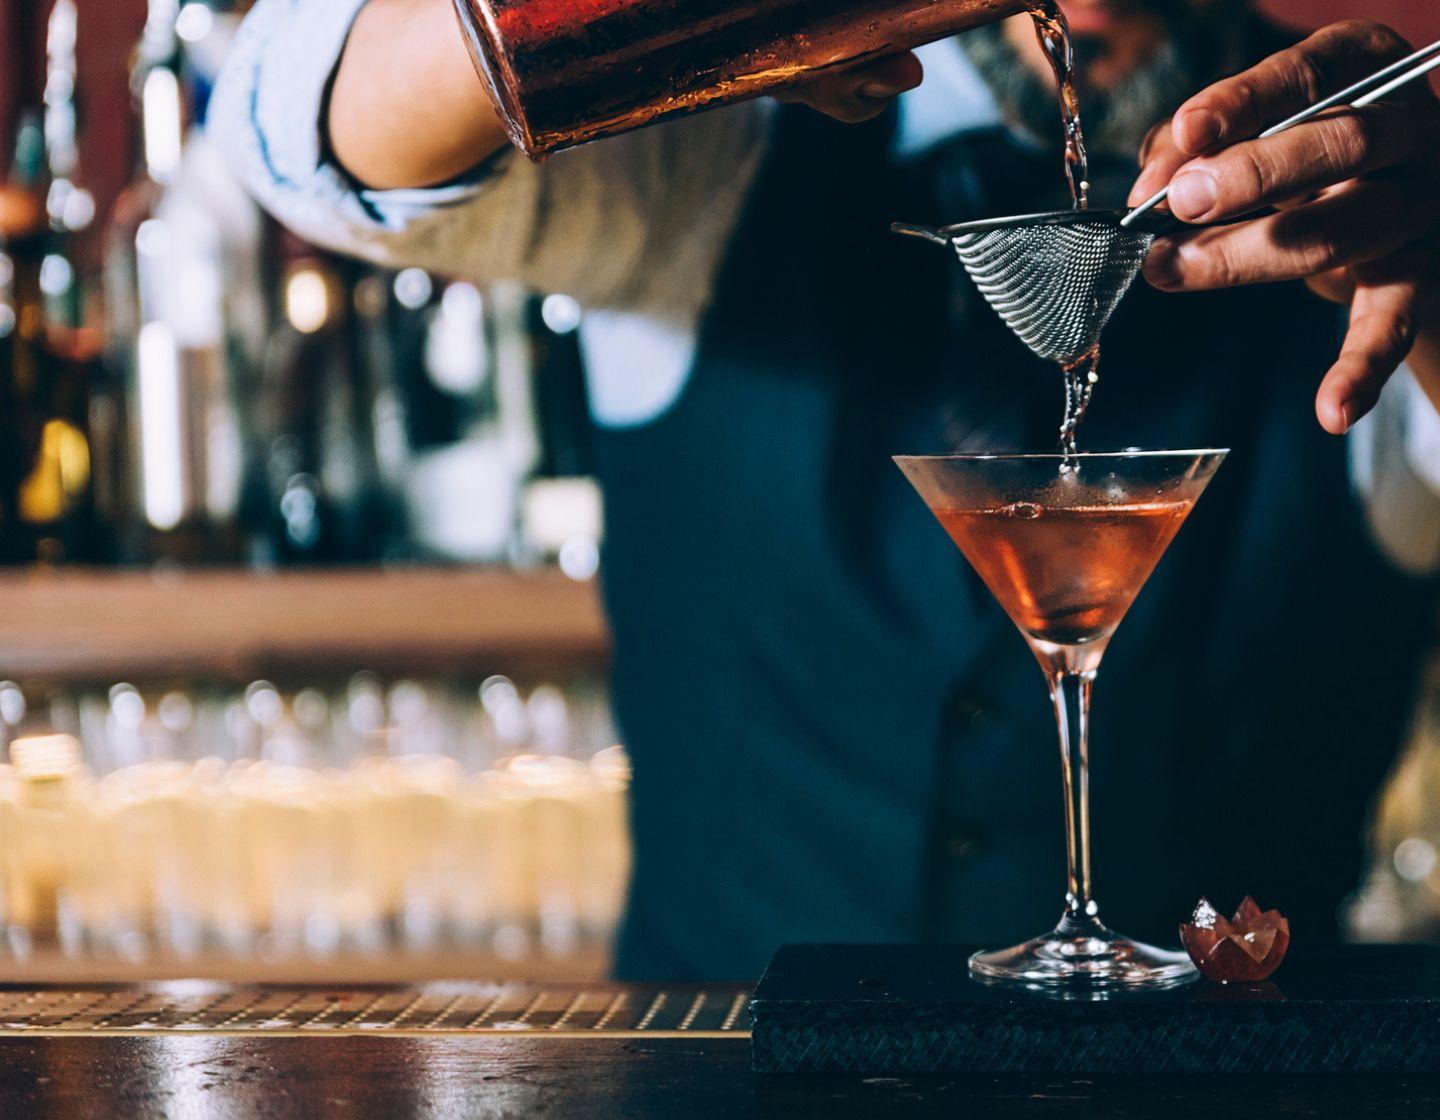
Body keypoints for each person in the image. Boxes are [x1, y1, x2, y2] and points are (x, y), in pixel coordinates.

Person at [214, 1, 1440, 980]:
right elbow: (290, 131)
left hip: (1238, 1086)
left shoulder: (1369, 182)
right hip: (732, 1080)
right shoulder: (703, 149)